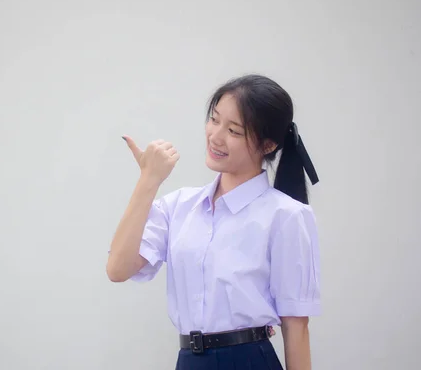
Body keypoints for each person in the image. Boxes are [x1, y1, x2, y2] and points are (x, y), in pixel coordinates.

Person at [106, 74, 321, 370]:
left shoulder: (286, 216)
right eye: (214, 119)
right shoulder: (179, 206)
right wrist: (149, 180)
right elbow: (118, 269)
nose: (216, 136)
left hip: (248, 361)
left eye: (234, 130)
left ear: (268, 145)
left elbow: (296, 327)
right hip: (189, 361)